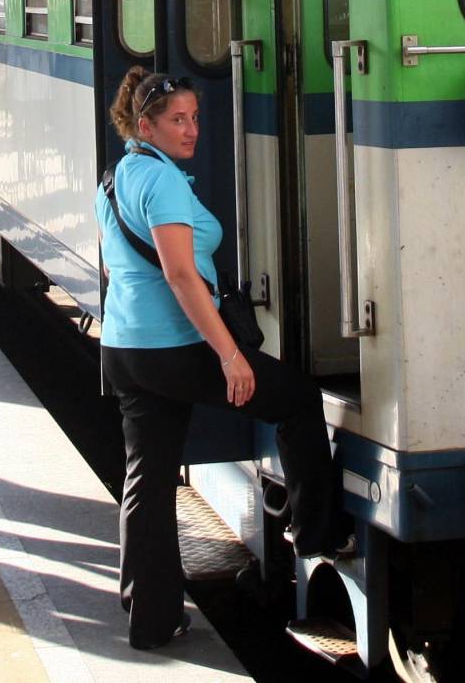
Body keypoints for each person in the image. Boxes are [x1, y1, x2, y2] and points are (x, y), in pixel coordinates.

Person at [96, 66, 350, 651]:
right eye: (177, 120)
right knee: (295, 399)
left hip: (124, 349)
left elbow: (115, 269)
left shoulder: (115, 180)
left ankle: (152, 620)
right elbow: (182, 276)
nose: (191, 130)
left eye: (195, 117)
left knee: (148, 482)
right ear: (145, 125)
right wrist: (230, 355)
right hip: (176, 350)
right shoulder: (161, 184)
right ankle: (316, 532)